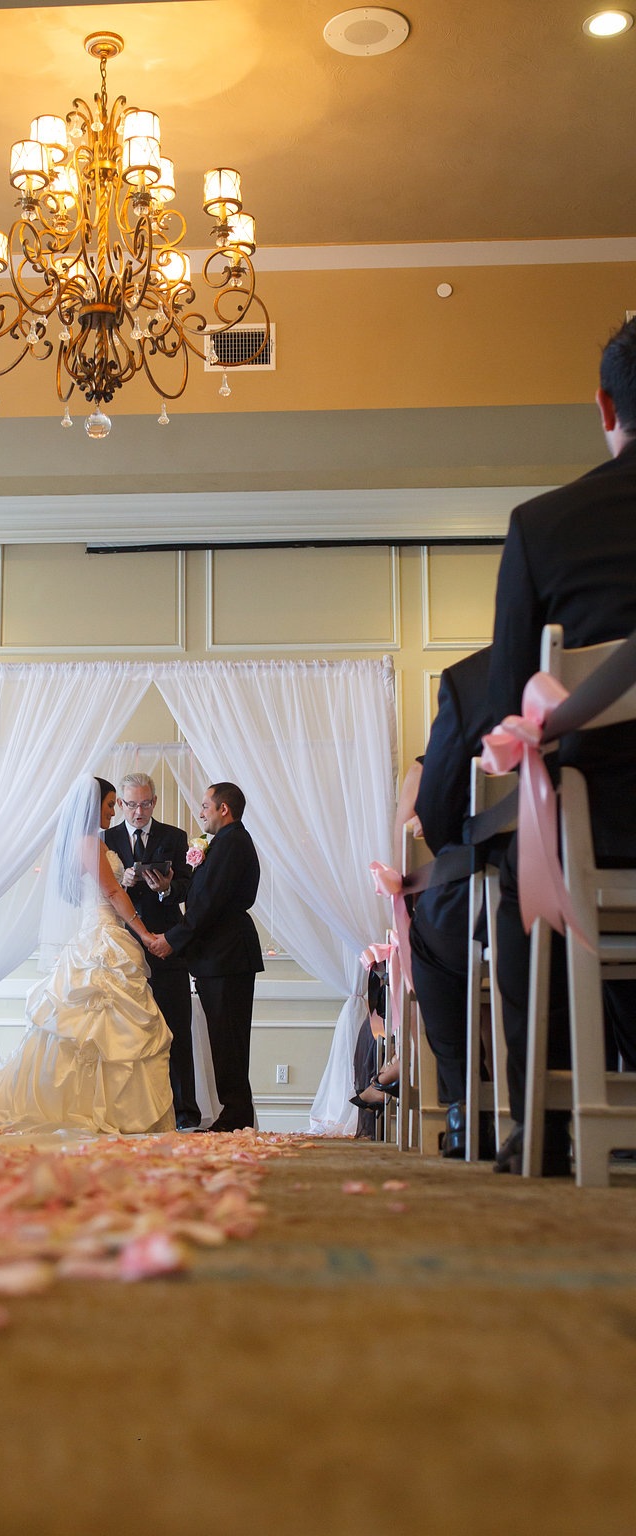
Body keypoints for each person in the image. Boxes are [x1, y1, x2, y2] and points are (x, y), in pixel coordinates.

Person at [488, 313, 636, 1174]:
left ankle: (543, 1127)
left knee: (519, 879)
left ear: (604, 405)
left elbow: (512, 709)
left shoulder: (547, 525)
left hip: (606, 831)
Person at [0, 776, 174, 1134]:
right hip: (103, 936)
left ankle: (96, 1105)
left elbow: (88, 891)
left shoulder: (80, 844)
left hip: (95, 932)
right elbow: (111, 893)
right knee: (102, 1030)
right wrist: (144, 933)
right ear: (94, 806)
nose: (114, 812)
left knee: (93, 1032)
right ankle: (108, 1110)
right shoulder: (90, 843)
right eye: (111, 805)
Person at [408, 647, 495, 1158]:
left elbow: (437, 816)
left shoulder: (476, 680)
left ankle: (467, 1108)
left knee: (432, 931)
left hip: (514, 894)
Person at [147, 782, 263, 1132]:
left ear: (223, 809)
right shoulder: (224, 843)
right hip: (220, 954)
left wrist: (172, 940)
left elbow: (208, 905)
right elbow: (200, 897)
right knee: (224, 1036)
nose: (200, 812)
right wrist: (169, 889)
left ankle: (236, 1112)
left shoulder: (232, 844)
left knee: (229, 1036)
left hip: (227, 954)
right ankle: (235, 1111)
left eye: (205, 806)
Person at [104, 771, 201, 1130]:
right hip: (122, 944)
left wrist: (166, 888)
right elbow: (98, 890)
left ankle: (185, 1113)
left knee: (176, 1028)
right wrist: (123, 884)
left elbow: (190, 888)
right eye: (130, 804)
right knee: (126, 1033)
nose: (137, 811)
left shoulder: (174, 837)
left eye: (145, 803)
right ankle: (133, 1112)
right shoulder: (107, 839)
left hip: (166, 943)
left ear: (154, 802)